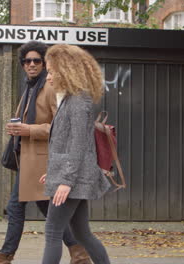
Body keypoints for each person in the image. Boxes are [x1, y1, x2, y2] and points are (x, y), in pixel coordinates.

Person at [0, 41, 91, 264]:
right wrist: (16, 127)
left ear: (45, 64)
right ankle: (79, 254)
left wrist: (29, 130)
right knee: (47, 210)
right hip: (28, 162)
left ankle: (4, 257)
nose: (31, 65)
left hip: (43, 162)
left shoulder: (49, 88)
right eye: (27, 61)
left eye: (36, 61)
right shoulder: (30, 87)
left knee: (15, 207)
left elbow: (62, 126)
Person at [40, 44, 112, 264]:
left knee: (52, 231)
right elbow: (65, 143)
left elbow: (79, 144)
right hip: (71, 177)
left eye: (51, 71)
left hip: (73, 180)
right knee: (82, 234)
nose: (48, 77)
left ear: (65, 70)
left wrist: (65, 180)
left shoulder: (79, 101)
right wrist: (52, 173)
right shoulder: (71, 98)